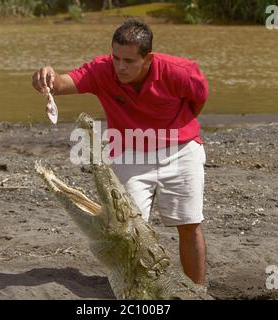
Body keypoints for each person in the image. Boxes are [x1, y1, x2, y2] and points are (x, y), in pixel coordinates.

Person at [32, 19, 209, 285]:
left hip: (181, 150)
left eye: (129, 61)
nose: (120, 67)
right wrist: (48, 78)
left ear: (147, 58)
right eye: (116, 58)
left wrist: (175, 130)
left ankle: (197, 290)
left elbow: (198, 98)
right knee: (127, 230)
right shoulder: (103, 70)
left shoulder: (179, 71)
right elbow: (64, 83)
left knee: (189, 224)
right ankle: (137, 289)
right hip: (129, 153)